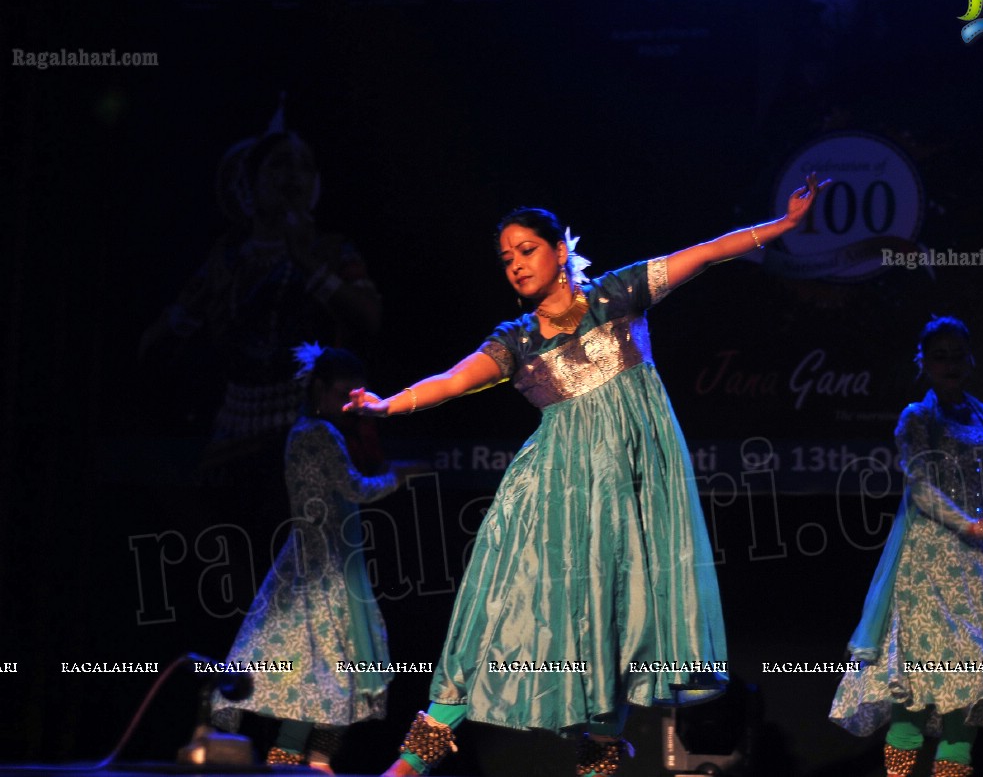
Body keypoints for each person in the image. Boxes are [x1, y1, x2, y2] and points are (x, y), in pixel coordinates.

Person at [344, 174, 826, 777]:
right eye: (506, 258)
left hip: (628, 490)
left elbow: (704, 254)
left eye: (527, 250)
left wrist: (782, 226)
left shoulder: (616, 296)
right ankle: (413, 760)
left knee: (618, 613)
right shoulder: (516, 340)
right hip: (551, 492)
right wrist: (390, 403)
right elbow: (451, 379)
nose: (516, 265)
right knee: (502, 606)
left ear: (559, 248)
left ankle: (597, 763)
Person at [829, 317, 983, 777]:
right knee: (917, 682)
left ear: (971, 359)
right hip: (930, 563)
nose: (949, 364)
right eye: (939, 355)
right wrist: (968, 525)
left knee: (972, 689)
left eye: (957, 354)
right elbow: (920, 486)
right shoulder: (918, 417)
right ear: (923, 363)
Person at [140, 103, 382, 478]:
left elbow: (368, 317)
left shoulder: (331, 251)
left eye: (304, 166)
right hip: (235, 430)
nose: (294, 177)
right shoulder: (227, 260)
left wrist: (305, 261)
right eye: (280, 164)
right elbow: (158, 343)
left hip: (309, 427)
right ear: (249, 183)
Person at [210, 344, 412, 773]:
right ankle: (303, 761)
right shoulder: (317, 434)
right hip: (321, 565)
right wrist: (401, 475)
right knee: (329, 670)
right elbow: (354, 489)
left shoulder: (314, 432)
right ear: (319, 388)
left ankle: (308, 760)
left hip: (328, 558)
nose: (350, 402)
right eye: (343, 391)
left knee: (330, 670)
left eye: (356, 393)